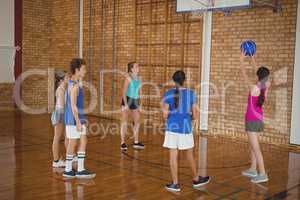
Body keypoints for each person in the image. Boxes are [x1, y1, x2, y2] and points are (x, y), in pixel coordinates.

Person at [162, 70, 210, 192]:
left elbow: (165, 115)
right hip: (185, 128)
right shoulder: (191, 94)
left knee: (173, 156)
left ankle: (175, 184)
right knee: (189, 155)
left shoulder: (168, 94)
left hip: (172, 128)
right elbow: (195, 115)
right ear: (185, 80)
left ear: (174, 80)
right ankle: (196, 179)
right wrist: (189, 115)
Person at [240, 52, 270, 183]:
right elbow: (258, 72)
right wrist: (252, 58)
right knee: (253, 145)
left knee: (256, 147)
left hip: (252, 120)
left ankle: (262, 173)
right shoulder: (266, 85)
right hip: (259, 119)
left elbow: (244, 75)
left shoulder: (254, 88)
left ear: (258, 76)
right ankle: (253, 169)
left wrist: (241, 60)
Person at [63, 58, 95, 179]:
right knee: (73, 143)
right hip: (73, 118)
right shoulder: (74, 86)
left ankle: (80, 169)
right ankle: (67, 169)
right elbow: (73, 105)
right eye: (84, 69)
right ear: (77, 70)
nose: (85, 71)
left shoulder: (74, 83)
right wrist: (77, 121)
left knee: (83, 140)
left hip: (78, 117)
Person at [120, 62, 144, 150]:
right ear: (132, 69)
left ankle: (136, 142)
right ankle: (122, 142)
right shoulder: (128, 79)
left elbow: (140, 92)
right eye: (136, 66)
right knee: (124, 121)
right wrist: (126, 105)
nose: (138, 67)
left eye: (138, 66)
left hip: (135, 100)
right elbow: (123, 92)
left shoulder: (139, 78)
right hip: (127, 99)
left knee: (137, 121)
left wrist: (141, 103)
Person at [51, 71, 70, 168]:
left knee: (67, 137)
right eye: (67, 77)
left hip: (62, 114)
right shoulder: (61, 90)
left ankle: (69, 158)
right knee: (57, 138)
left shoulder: (64, 88)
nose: (69, 77)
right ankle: (56, 161)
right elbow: (62, 106)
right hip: (60, 114)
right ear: (62, 79)